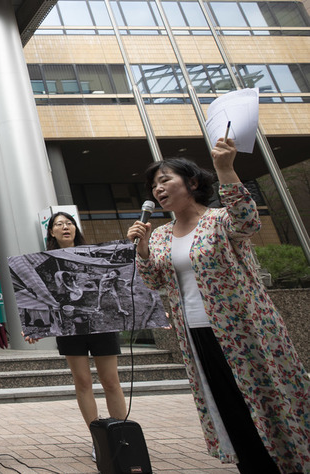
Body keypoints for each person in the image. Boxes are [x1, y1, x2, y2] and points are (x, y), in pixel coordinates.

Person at [127, 138, 309, 473]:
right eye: (154, 185)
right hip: (195, 334)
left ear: (193, 183)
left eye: (165, 180)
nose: (158, 189)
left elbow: (248, 221)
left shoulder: (220, 220)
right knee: (229, 407)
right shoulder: (162, 234)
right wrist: (143, 250)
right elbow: (155, 281)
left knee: (265, 399)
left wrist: (226, 168)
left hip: (245, 331)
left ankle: (290, 463)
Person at [29, 211, 126, 463]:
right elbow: (39, 297)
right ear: (51, 232)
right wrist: (35, 327)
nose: (65, 227)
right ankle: (100, 441)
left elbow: (117, 281)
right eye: (59, 224)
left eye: (69, 223)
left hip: (101, 324)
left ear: (75, 228)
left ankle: (122, 437)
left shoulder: (93, 255)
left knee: (111, 381)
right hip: (69, 328)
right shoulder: (45, 263)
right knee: (82, 382)